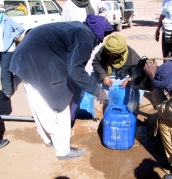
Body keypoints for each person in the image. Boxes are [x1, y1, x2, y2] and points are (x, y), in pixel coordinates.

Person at [9, 14, 114, 160]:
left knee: (39, 103)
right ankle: (63, 151)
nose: (103, 39)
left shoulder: (78, 27)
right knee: (59, 105)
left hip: (24, 58)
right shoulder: (86, 37)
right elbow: (75, 71)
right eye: (105, 34)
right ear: (99, 32)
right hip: (35, 61)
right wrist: (98, 90)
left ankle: (47, 139)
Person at [92, 34, 144, 110]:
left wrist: (131, 78)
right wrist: (103, 76)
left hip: (124, 77)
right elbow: (96, 63)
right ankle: (103, 108)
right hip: (108, 76)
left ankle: (133, 109)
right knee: (92, 81)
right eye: (111, 55)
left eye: (116, 55)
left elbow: (139, 71)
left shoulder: (132, 56)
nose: (113, 57)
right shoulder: (104, 51)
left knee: (138, 88)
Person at [61, 0, 109, 75]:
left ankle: (87, 79)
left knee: (91, 60)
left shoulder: (94, 1)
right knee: (79, 62)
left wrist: (98, 21)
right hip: (77, 38)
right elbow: (64, 24)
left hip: (91, 36)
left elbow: (105, 9)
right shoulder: (69, 4)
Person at [0, 4, 25, 99]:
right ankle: (11, 86)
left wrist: (12, 38)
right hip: (1, 49)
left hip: (8, 49)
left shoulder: (7, 20)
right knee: (7, 69)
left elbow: (21, 28)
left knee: (4, 70)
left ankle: (7, 92)